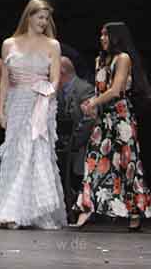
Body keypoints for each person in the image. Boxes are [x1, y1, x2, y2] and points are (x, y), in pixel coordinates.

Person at [72, 22, 151, 231]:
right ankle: (87, 207)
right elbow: (100, 90)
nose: (102, 38)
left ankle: (135, 211)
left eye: (106, 35)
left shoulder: (123, 59)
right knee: (94, 160)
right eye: (101, 34)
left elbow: (116, 89)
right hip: (103, 118)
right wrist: (92, 104)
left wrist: (94, 102)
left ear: (116, 37)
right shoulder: (99, 60)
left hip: (121, 118)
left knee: (127, 164)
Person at [0, 0, 67, 230]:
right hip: (16, 103)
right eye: (40, 17)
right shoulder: (9, 43)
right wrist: (2, 110)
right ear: (29, 17)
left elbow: (54, 78)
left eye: (46, 18)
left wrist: (46, 96)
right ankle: (11, 209)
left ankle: (29, 212)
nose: (44, 22)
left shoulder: (52, 45)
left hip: (41, 102)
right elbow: (5, 80)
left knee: (34, 154)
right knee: (16, 154)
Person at [57, 57, 96, 214]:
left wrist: (73, 143)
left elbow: (89, 120)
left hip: (81, 145)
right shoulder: (57, 92)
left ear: (61, 71)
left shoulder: (85, 89)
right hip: (61, 144)